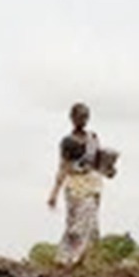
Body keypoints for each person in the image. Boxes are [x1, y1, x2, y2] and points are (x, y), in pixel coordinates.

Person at [46, 103, 114, 265]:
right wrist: (54, 192)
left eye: (85, 116)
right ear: (72, 118)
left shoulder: (93, 138)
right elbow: (63, 166)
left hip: (92, 183)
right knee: (74, 223)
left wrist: (109, 170)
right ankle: (64, 258)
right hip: (75, 184)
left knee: (88, 220)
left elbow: (98, 161)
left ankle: (77, 258)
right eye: (79, 116)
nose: (82, 120)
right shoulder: (68, 142)